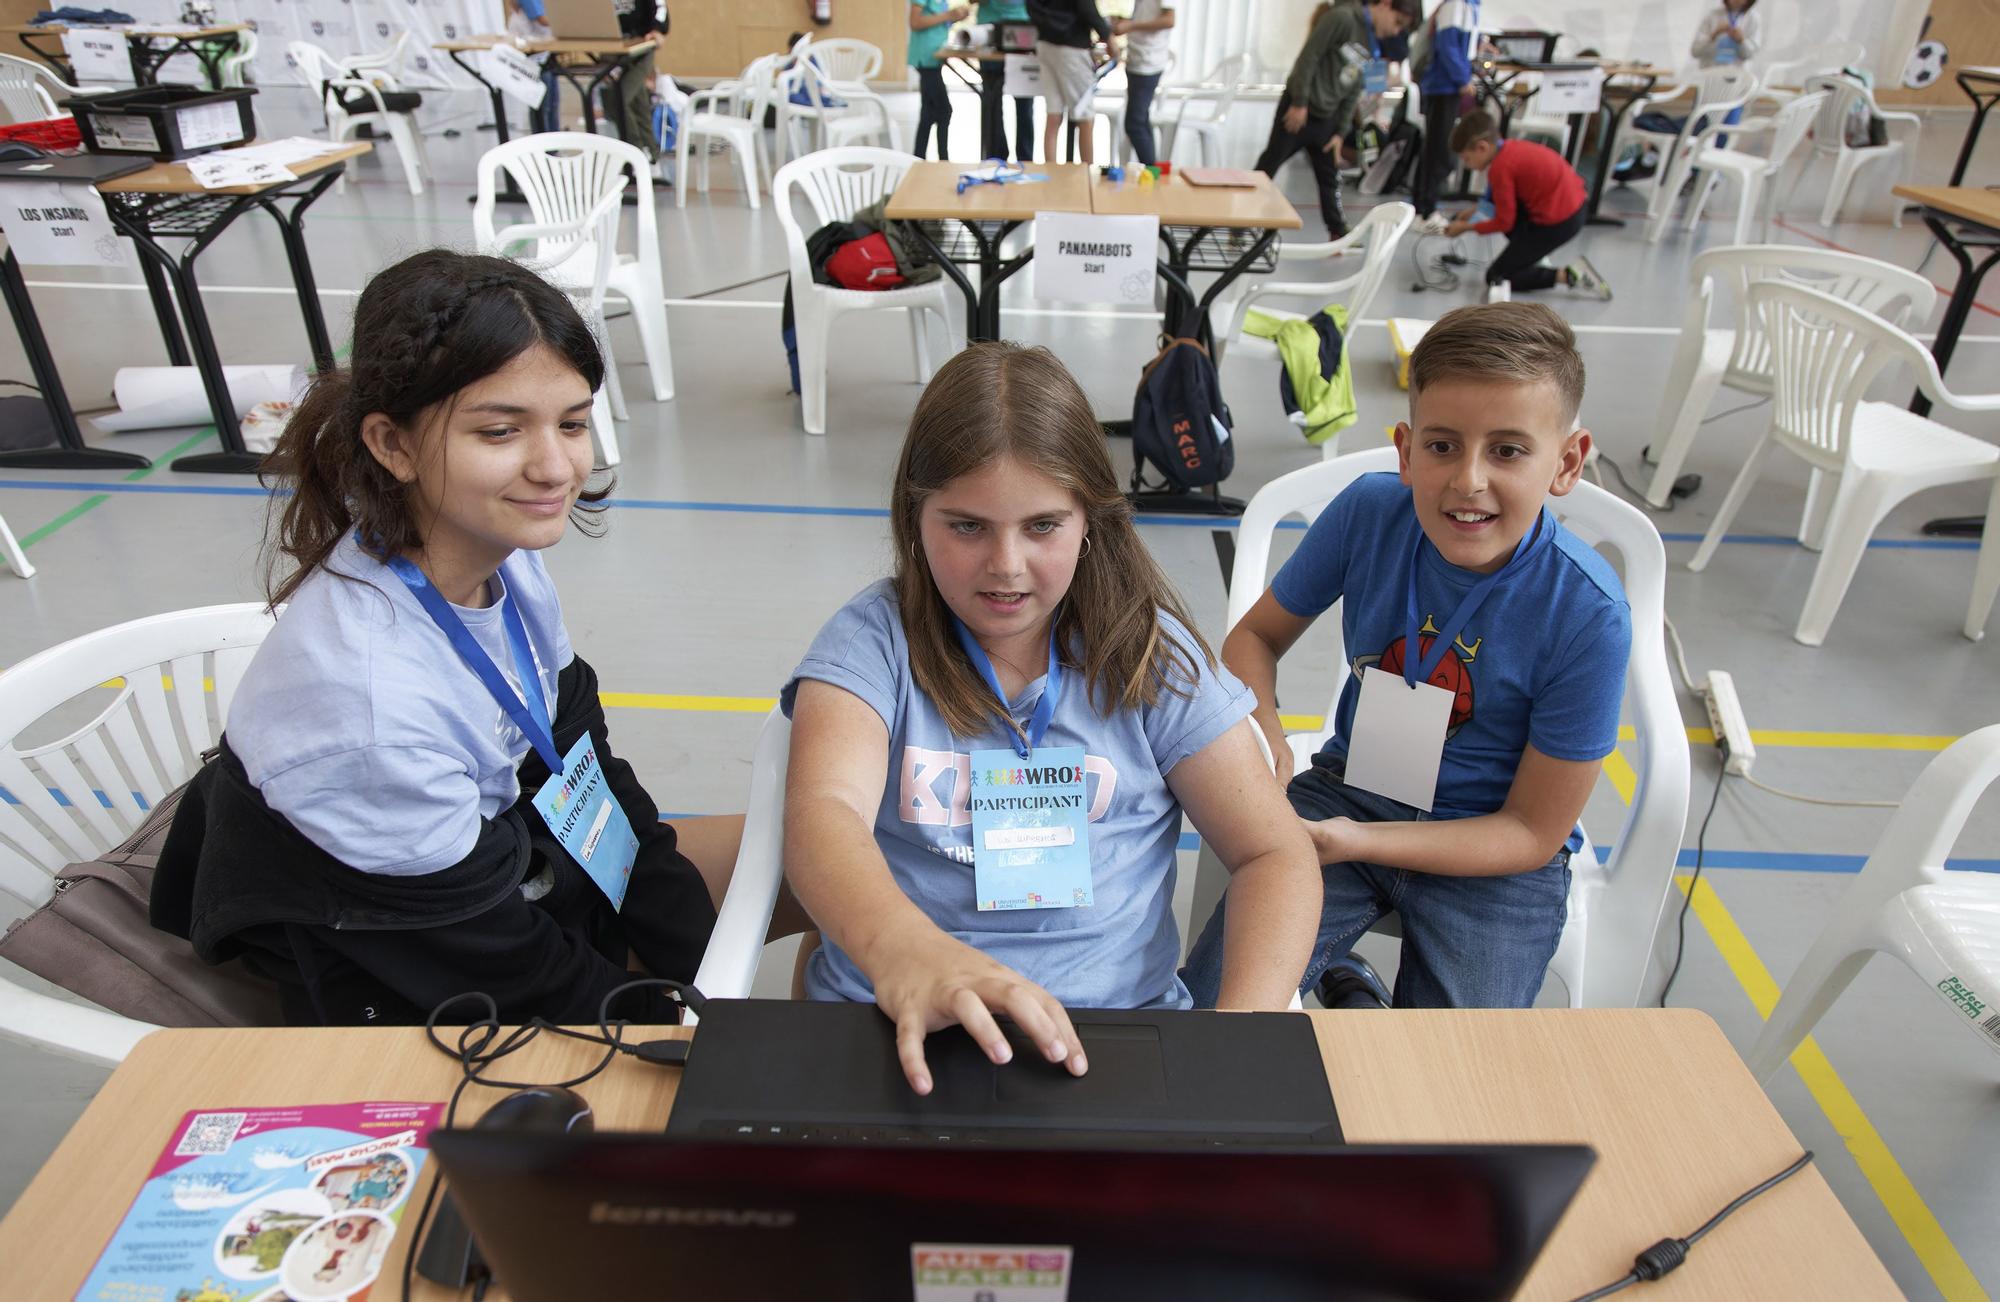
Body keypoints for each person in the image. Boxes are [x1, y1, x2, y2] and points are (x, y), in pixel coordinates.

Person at [152, 250, 760, 1027]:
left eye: (572, 423)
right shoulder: (370, 709)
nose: (554, 467)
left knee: (838, 859)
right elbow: (509, 969)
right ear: (392, 445)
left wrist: (688, 958)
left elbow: (583, 765)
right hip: (407, 958)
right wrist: (682, 1026)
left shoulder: (500, 556)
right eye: (501, 430)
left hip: (507, 863)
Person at [783, 342, 1318, 1095]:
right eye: (966, 527)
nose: (1005, 564)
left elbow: (1276, 855)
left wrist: (1238, 1035)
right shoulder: (873, 641)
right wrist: (905, 952)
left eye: (1041, 526)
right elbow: (822, 813)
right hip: (894, 1024)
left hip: (1109, 1037)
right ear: (914, 516)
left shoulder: (1149, 657)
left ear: (1090, 519)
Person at [1182, 303, 1631, 1010]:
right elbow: (1254, 639)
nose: (1469, 480)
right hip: (1351, 790)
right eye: (1443, 446)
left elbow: (1531, 833)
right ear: (1406, 448)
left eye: (1508, 450)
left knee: (1450, 1085)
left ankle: (1350, 983)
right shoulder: (1370, 512)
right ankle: (1351, 980)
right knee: (1215, 1009)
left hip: (1493, 855)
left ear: (1567, 463)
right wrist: (1267, 739)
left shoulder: (1588, 614)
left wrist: (1359, 841)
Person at [1258, 0, 1421, 241]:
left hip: (1328, 119)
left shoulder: (1372, 41)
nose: (1396, 31)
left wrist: (1339, 132)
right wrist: (1299, 102)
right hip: (1299, 111)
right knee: (1269, 165)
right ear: (1386, 5)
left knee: (1329, 177)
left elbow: (1354, 87)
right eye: (1397, 23)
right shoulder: (1342, 18)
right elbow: (1309, 57)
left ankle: (1338, 232)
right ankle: (1239, 227)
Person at [1446, 110, 1609, 300]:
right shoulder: (1508, 149)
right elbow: (1502, 203)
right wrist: (1473, 212)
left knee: (1497, 276)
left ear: (1482, 148)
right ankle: (1531, 255)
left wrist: (1467, 228)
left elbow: (1504, 222)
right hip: (1574, 206)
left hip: (1561, 221)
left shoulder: (1501, 168)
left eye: (1467, 159)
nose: (1467, 165)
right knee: (1511, 228)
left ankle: (1569, 275)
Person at [1410, 0, 1479, 222]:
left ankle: (1423, 207)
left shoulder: (1466, 6)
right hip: (1444, 86)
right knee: (1439, 150)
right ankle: (1426, 211)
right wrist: (1462, 79)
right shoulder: (1457, 5)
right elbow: (1447, 44)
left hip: (1445, 85)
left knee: (1435, 148)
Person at [1030, 0, 1114, 165]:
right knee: (1085, 116)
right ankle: (1087, 173)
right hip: (1072, 47)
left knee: (1053, 114)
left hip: (1045, 44)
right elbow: (1087, 9)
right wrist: (1108, 38)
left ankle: (1051, 171)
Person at [1112, 0, 1174, 167]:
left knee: (1134, 124)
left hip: (1148, 61)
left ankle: (1152, 173)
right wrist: (1125, 21)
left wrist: (1131, 25)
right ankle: (1152, 171)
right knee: (1141, 121)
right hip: (1138, 58)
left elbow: (1169, 20)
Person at [911, 1, 971, 159]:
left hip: (934, 58)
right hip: (925, 58)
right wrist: (948, 15)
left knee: (928, 113)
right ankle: (943, 159)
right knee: (944, 110)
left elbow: (937, 22)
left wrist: (955, 17)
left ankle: (918, 158)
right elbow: (915, 22)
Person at [978, 0, 1037, 160]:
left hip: (1023, 30)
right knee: (992, 104)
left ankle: (1026, 159)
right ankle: (996, 157)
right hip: (989, 32)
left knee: (1024, 105)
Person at [1691, 0, 1759, 67]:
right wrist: (1713, 36)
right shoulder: (1712, 15)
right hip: (1709, 73)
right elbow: (1695, 52)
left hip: (1738, 75)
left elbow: (1752, 55)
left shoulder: (1753, 18)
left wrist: (1741, 41)